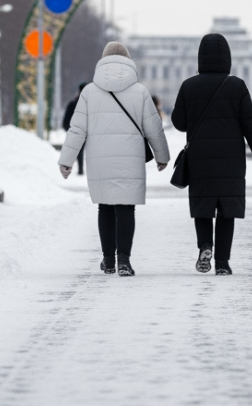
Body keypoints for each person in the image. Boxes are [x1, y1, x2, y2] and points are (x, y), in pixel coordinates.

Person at [58, 42, 170, 277]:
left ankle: (108, 260)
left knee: (105, 207)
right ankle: (124, 261)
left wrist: (67, 160)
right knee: (126, 207)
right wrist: (162, 156)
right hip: (130, 158)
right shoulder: (140, 92)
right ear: (129, 62)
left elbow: (77, 129)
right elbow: (154, 128)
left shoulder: (89, 92)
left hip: (99, 159)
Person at [171, 33, 252, 275]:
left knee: (203, 205)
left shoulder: (189, 86)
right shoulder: (237, 86)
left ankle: (205, 246)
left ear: (200, 57)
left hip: (200, 159)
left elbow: (179, 123)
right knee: (227, 210)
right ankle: (223, 263)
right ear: (227, 57)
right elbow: (251, 125)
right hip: (231, 159)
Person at [63, 82, 88, 176]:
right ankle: (83, 169)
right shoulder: (92, 105)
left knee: (79, 150)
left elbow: (66, 120)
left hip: (78, 131)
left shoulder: (73, 104)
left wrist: (70, 130)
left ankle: (80, 169)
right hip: (88, 132)